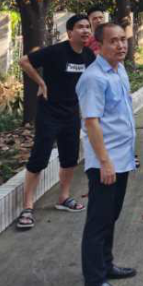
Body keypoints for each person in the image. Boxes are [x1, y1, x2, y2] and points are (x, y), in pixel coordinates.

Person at [16, 15, 95, 231]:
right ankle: (27, 207)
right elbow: (24, 61)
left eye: (88, 27)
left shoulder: (88, 55)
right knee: (39, 158)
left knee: (70, 158)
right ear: (70, 32)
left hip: (71, 113)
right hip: (49, 113)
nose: (85, 30)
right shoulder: (56, 51)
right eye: (80, 27)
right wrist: (41, 82)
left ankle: (63, 197)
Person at [77, 23, 137, 286]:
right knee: (98, 222)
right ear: (99, 45)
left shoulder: (118, 69)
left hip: (121, 159)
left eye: (123, 39)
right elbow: (91, 123)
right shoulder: (93, 78)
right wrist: (105, 162)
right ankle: (94, 281)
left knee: (110, 216)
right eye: (113, 41)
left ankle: (106, 264)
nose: (121, 45)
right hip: (106, 162)